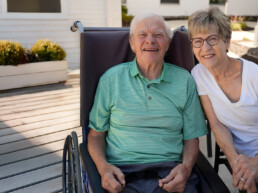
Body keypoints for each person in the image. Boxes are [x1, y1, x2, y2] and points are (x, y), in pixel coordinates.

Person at [88, 13, 208, 193]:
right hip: (121, 174)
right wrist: (103, 168)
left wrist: (186, 168)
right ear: (132, 43)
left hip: (170, 173)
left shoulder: (184, 81)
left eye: (158, 35)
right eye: (142, 35)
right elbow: (95, 135)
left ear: (167, 43)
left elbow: (191, 138)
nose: (150, 40)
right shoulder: (111, 80)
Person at [188, 7, 258, 193]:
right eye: (198, 41)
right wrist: (236, 162)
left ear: (227, 41)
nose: (205, 48)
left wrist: (255, 163)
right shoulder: (199, 74)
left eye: (213, 39)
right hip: (242, 159)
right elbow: (216, 124)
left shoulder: (254, 76)